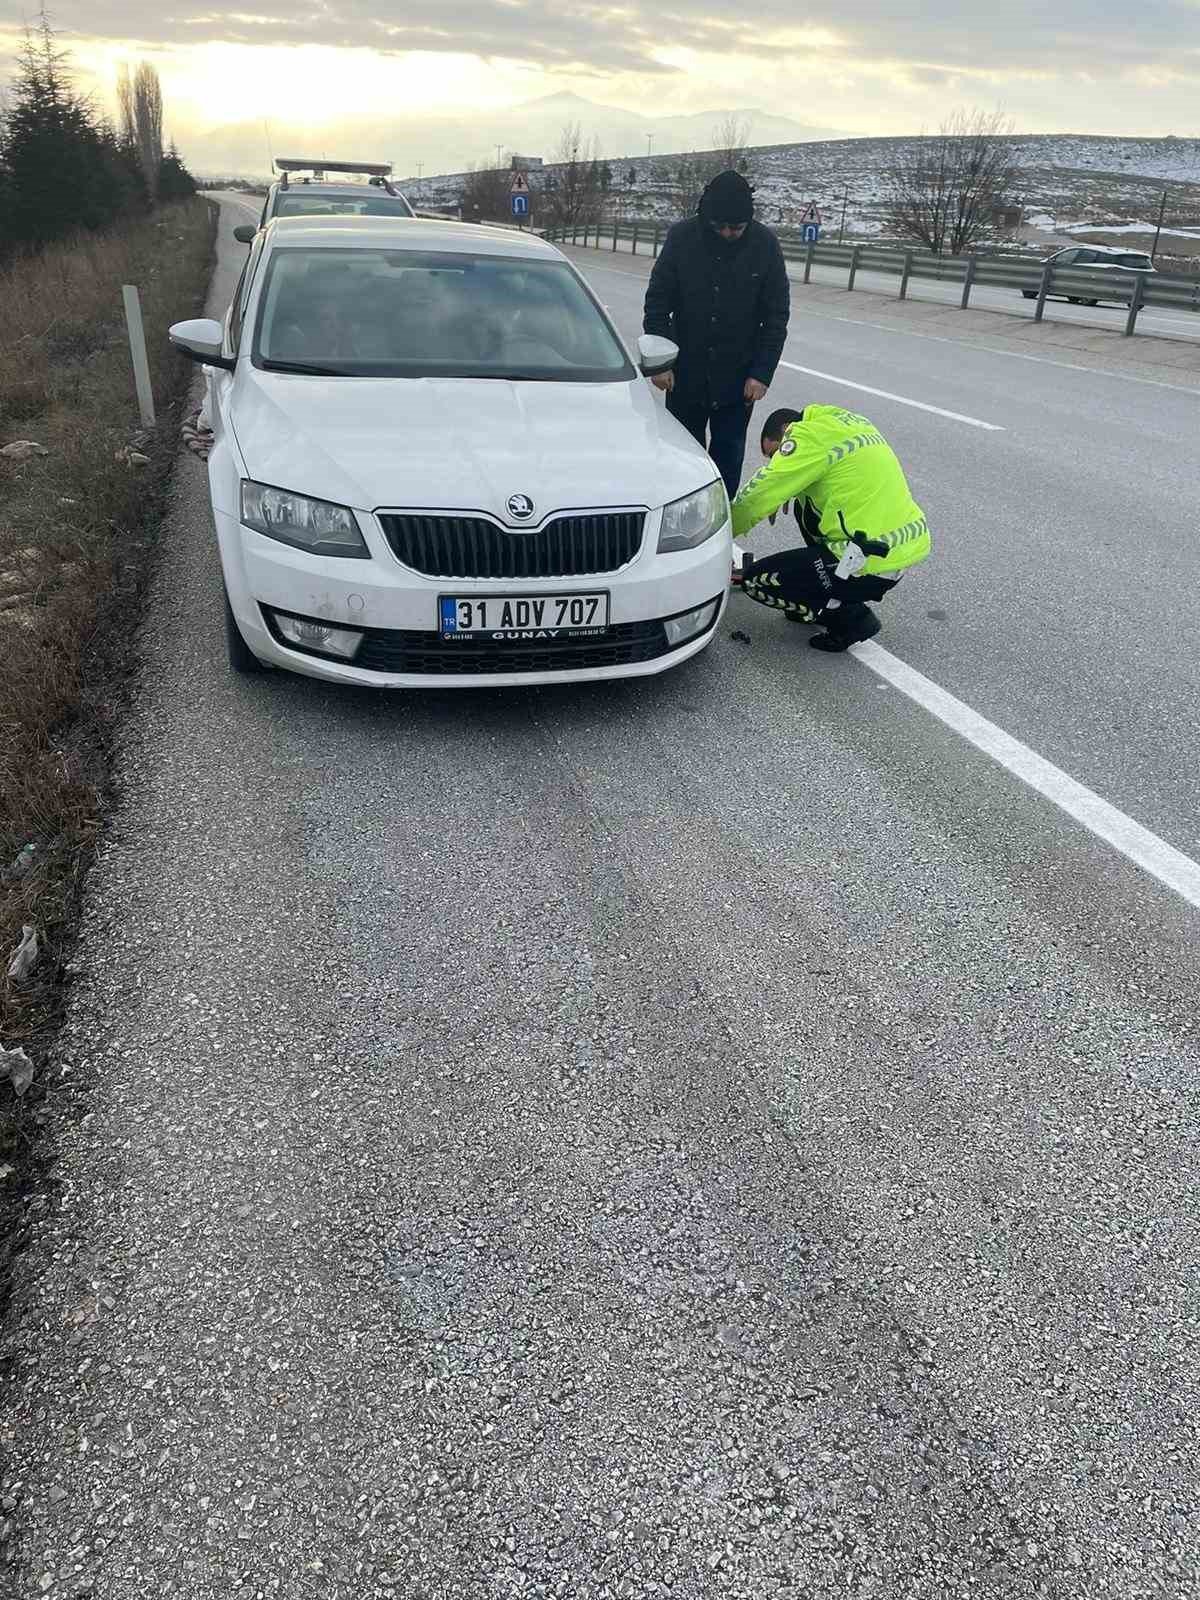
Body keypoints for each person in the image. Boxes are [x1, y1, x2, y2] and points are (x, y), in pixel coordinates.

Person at [730, 405, 931, 652]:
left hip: (864, 560)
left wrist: (717, 534)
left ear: (786, 429)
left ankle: (850, 619)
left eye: (775, 453)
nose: (776, 460)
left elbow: (755, 497)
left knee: (755, 581)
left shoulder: (807, 437)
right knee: (802, 506)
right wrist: (789, 491)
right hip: (898, 550)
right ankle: (820, 593)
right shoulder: (846, 423)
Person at [643, 170, 789, 500]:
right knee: (682, 462)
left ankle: (722, 522)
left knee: (727, 466)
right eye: (719, 226)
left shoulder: (765, 246)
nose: (727, 233)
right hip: (684, 375)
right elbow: (658, 303)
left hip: (738, 382)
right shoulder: (682, 239)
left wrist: (761, 373)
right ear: (706, 217)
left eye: (736, 228)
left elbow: (776, 317)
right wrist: (660, 362)